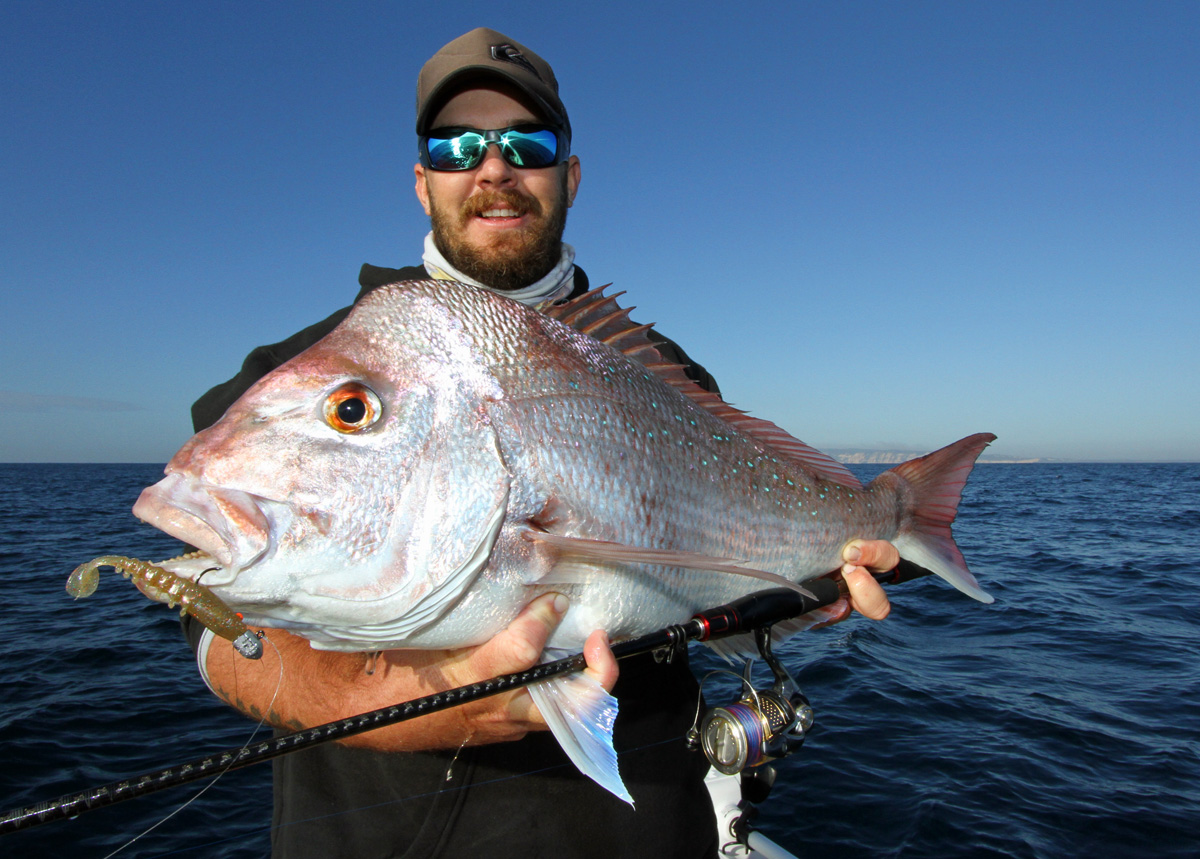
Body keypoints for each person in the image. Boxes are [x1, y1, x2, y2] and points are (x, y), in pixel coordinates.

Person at [185, 28, 898, 858]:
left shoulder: (665, 375)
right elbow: (208, 620)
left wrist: (809, 592)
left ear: (571, 174)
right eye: (457, 146)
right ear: (423, 183)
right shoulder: (292, 376)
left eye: (528, 143)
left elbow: (704, 593)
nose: (493, 167)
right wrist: (395, 708)